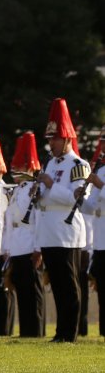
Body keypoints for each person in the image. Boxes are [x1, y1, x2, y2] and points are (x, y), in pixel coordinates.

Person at [34, 98, 90, 342]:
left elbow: (75, 198)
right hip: (49, 232)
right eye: (48, 139)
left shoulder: (78, 165)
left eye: (54, 139)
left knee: (69, 286)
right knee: (56, 284)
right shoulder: (50, 163)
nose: (51, 144)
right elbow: (46, 198)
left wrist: (50, 185)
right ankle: (60, 332)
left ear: (66, 138)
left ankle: (70, 333)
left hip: (66, 234)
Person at [4, 132, 46, 337]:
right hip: (18, 245)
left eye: (21, 165)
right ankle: (26, 331)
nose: (16, 170)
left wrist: (39, 248)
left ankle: (36, 330)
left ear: (30, 166)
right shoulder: (19, 189)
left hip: (30, 243)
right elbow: (10, 220)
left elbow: (38, 220)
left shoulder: (33, 188)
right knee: (22, 289)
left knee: (33, 291)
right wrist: (9, 249)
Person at [0, 138, 16, 336]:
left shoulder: (5, 190)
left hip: (3, 244)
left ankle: (5, 328)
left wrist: (5, 248)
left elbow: (6, 222)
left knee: (5, 288)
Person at [80, 136, 104, 338]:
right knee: (102, 285)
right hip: (100, 238)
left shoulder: (100, 176)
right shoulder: (101, 170)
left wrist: (101, 185)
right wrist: (80, 199)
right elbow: (92, 207)